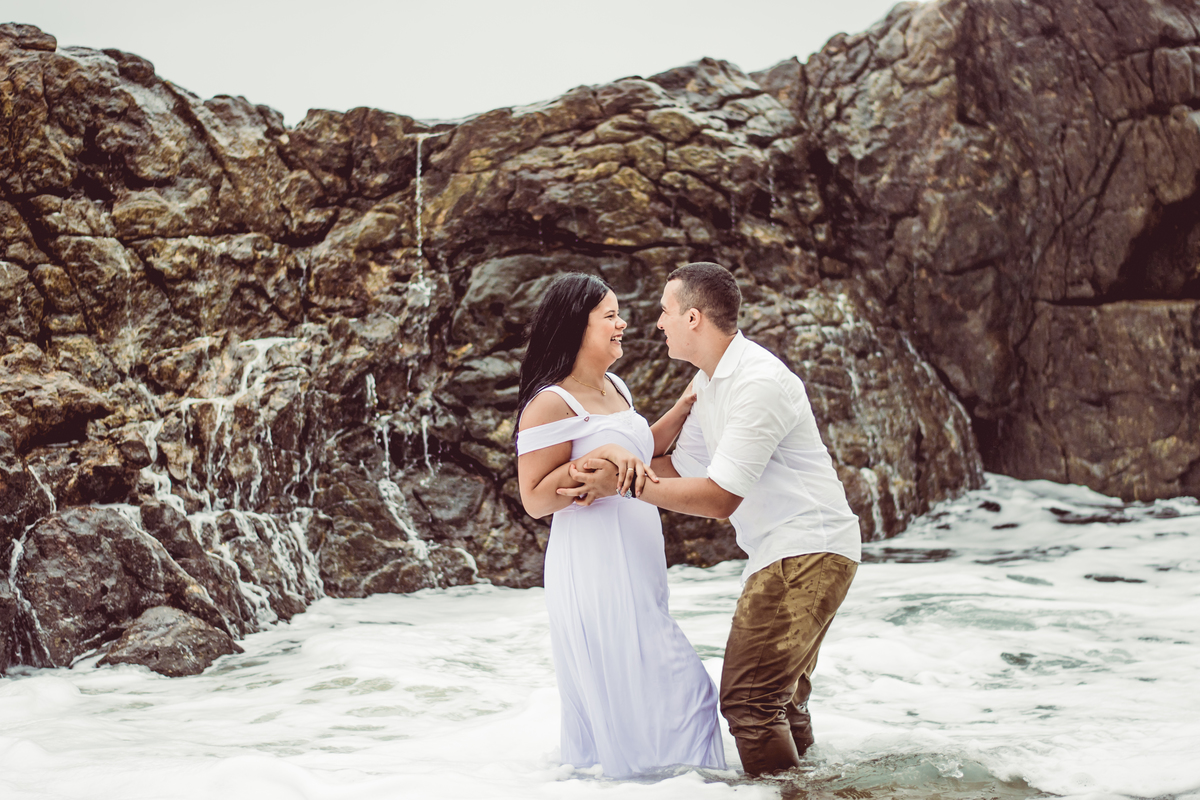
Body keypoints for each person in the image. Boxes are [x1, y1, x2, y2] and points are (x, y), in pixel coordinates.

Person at [559, 262, 861, 777]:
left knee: (748, 702)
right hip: (789, 552)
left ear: (693, 318)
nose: (658, 323)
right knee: (779, 702)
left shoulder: (757, 382)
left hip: (807, 550)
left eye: (665, 311)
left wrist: (622, 484)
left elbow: (721, 499)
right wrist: (602, 464)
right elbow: (677, 468)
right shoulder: (710, 381)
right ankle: (814, 785)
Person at [514, 272, 726, 779]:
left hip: (638, 566)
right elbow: (535, 498)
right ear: (577, 326)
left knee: (653, 691)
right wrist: (604, 453)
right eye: (610, 315)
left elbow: (639, 455)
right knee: (685, 693)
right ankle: (667, 781)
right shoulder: (550, 402)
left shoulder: (616, 387)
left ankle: (649, 782)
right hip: (595, 568)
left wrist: (684, 407)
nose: (623, 323)